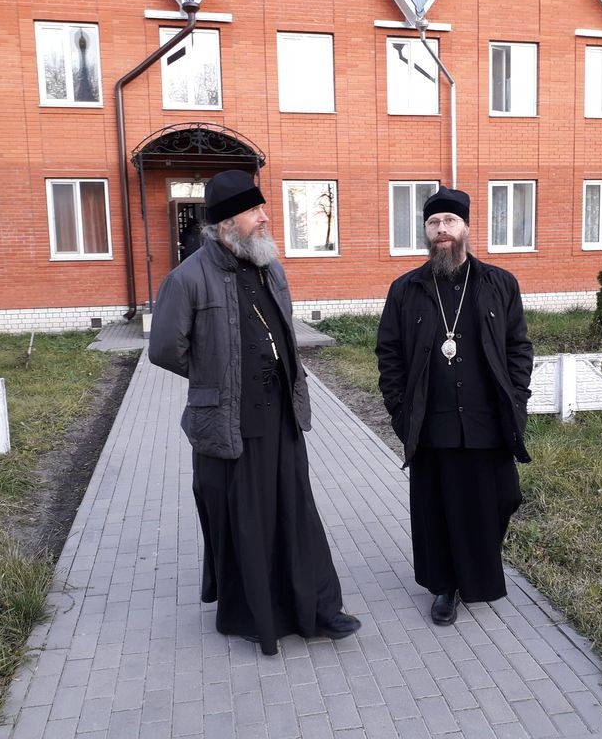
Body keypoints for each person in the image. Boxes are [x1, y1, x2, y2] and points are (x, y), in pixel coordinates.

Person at [148, 169, 361, 655]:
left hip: (281, 416)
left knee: (296, 514)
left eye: (262, 208)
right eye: (253, 210)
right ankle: (254, 616)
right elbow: (163, 350)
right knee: (247, 520)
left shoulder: (269, 267)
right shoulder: (187, 278)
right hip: (230, 424)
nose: (265, 217)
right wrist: (216, 376)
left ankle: (319, 609)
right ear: (226, 223)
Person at [375, 185, 534, 626]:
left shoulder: (499, 283)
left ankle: (477, 574)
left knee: (499, 497)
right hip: (432, 420)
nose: (441, 229)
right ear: (426, 231)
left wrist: (517, 399)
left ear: (465, 227)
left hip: (488, 418)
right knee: (438, 507)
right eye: (433, 222)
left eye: (449, 221)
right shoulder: (406, 289)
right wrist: (400, 411)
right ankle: (445, 586)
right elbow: (389, 354)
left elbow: (518, 347)